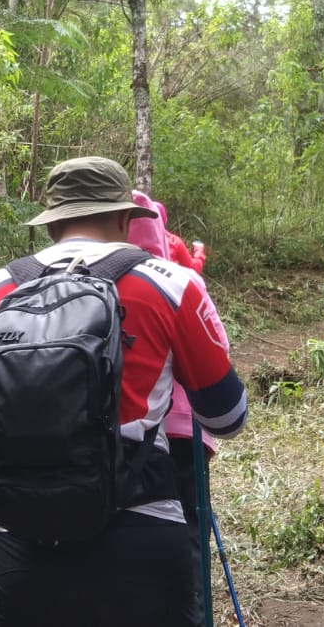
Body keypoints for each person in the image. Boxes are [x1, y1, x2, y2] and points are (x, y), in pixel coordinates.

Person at [0, 157, 249, 627]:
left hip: (23, 552)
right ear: (125, 218)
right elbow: (226, 418)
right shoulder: (174, 286)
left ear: (52, 224)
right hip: (143, 546)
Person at [128, 191, 227, 622]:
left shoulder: (96, 281)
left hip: (129, 437)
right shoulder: (178, 278)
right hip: (187, 432)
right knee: (190, 539)